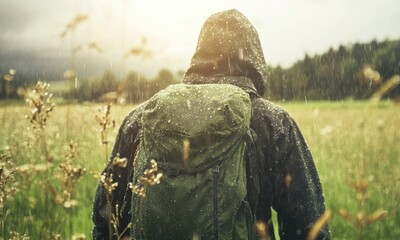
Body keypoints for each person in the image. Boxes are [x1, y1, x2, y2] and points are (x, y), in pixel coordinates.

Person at [92, 9, 330, 240]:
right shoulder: (272, 122)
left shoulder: (142, 118)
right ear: (255, 60)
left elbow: (106, 220)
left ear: (199, 55)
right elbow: (308, 227)